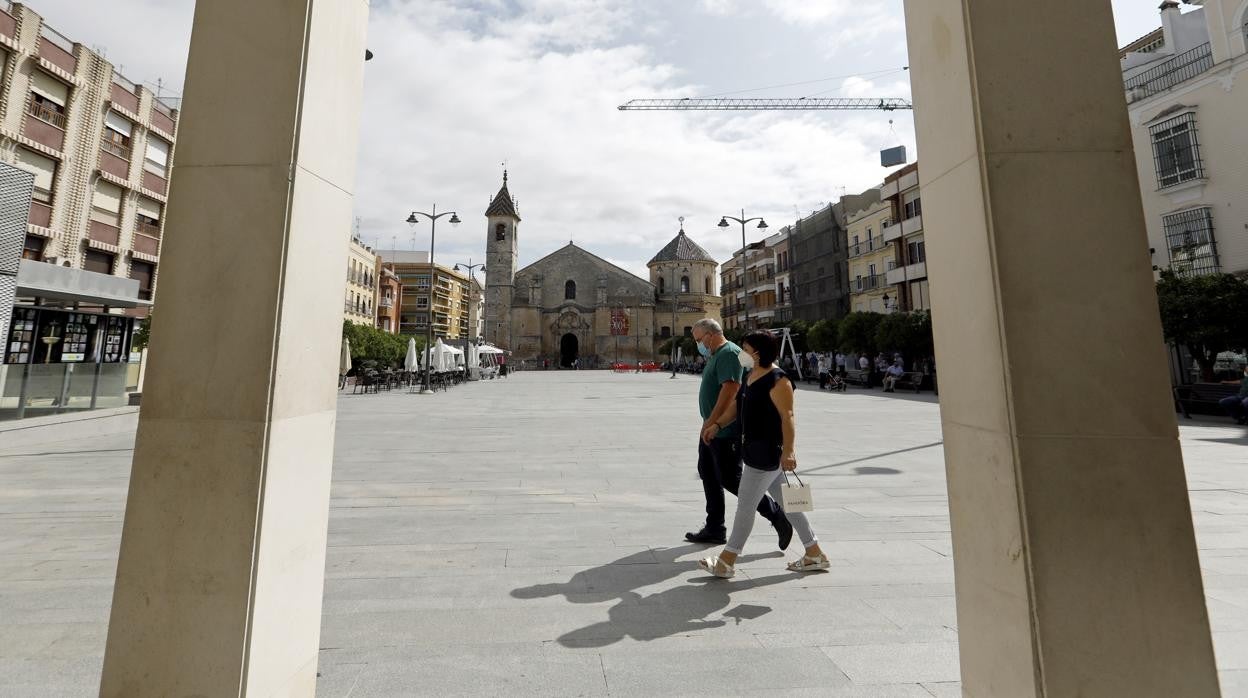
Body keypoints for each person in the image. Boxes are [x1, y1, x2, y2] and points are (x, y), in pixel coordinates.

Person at [697, 330, 828, 578]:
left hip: (767, 454)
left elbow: (787, 418)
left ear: (756, 351)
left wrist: (789, 451)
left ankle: (727, 560)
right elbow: (737, 406)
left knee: (745, 506)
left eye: (745, 347)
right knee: (788, 505)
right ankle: (814, 552)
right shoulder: (751, 374)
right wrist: (717, 425)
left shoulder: (779, 380)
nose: (741, 352)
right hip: (754, 450)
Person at [686, 319, 792, 549]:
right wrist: (708, 423)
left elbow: (731, 390)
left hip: (726, 431)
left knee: (731, 479)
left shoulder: (727, 354)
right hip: (712, 427)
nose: (698, 345)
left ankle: (777, 516)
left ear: (710, 335)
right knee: (708, 473)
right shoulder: (715, 354)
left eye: (698, 340)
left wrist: (714, 422)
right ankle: (715, 527)